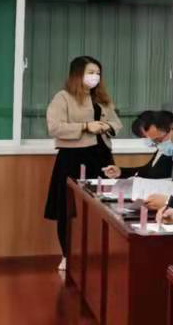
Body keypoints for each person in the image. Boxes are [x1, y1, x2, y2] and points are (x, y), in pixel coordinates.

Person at [45, 54, 123, 260]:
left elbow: (117, 123)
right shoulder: (63, 97)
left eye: (98, 73)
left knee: (107, 205)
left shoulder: (102, 99)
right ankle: (67, 255)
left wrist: (107, 126)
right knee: (67, 208)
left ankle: (103, 254)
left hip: (102, 156)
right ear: (78, 74)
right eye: (90, 72)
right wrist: (86, 126)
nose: (95, 76)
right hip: (73, 157)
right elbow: (54, 127)